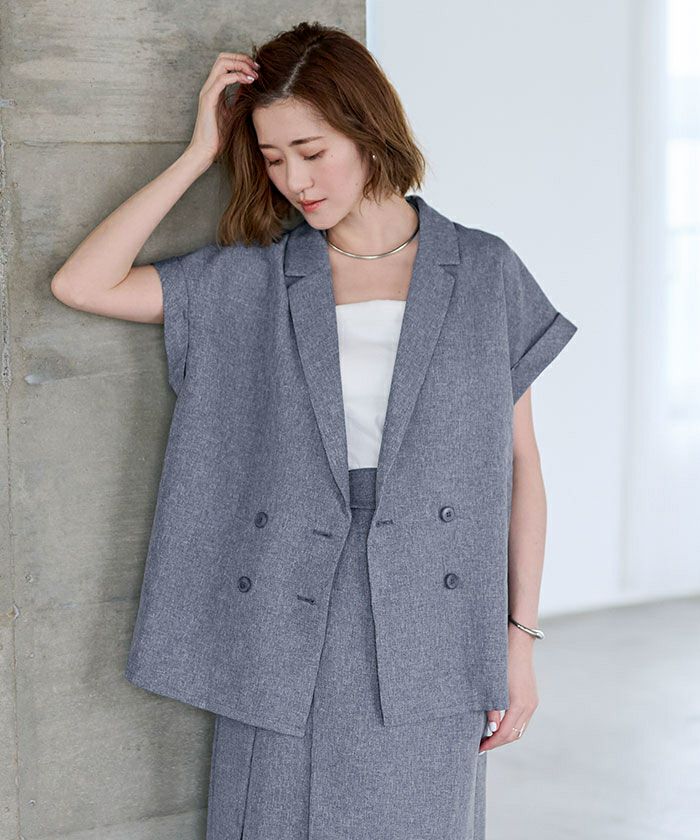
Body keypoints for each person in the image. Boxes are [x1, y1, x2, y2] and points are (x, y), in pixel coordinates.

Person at [51, 21, 577, 840]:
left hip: (437, 620)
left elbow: (520, 467)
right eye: (271, 158)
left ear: (368, 131)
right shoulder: (253, 278)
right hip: (287, 609)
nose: (294, 179)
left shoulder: (483, 271)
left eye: (311, 150)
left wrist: (520, 641)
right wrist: (197, 154)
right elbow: (83, 283)